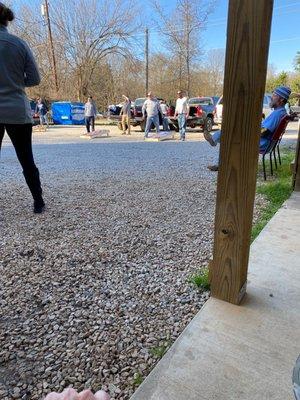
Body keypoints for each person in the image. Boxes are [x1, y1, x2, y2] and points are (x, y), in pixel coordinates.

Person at [0, 2, 45, 213]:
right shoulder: (19, 44)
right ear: (6, 20)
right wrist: (16, 81)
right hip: (17, 109)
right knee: (26, 159)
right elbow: (35, 78)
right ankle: (38, 202)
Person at [203, 86, 291, 171]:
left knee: (230, 133)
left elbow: (264, 132)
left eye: (275, 95)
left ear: (281, 99)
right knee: (233, 131)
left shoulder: (277, 114)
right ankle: (220, 159)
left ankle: (215, 146)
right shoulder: (281, 112)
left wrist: (248, 131)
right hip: (265, 142)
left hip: (260, 142)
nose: (272, 97)